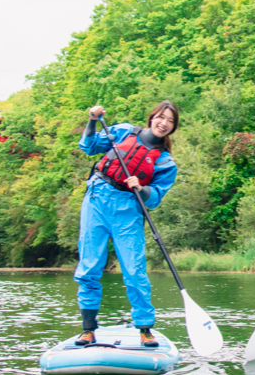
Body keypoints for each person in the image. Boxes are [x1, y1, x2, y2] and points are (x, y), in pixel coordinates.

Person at [73, 101, 179, 347]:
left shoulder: (165, 162)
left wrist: (141, 188)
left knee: (134, 271)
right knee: (89, 267)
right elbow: (88, 145)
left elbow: (155, 197)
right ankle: (88, 329)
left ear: (173, 128)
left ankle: (144, 328)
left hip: (128, 211)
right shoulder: (123, 132)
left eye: (170, 121)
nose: (164, 123)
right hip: (97, 199)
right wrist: (91, 119)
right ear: (152, 117)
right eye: (161, 117)